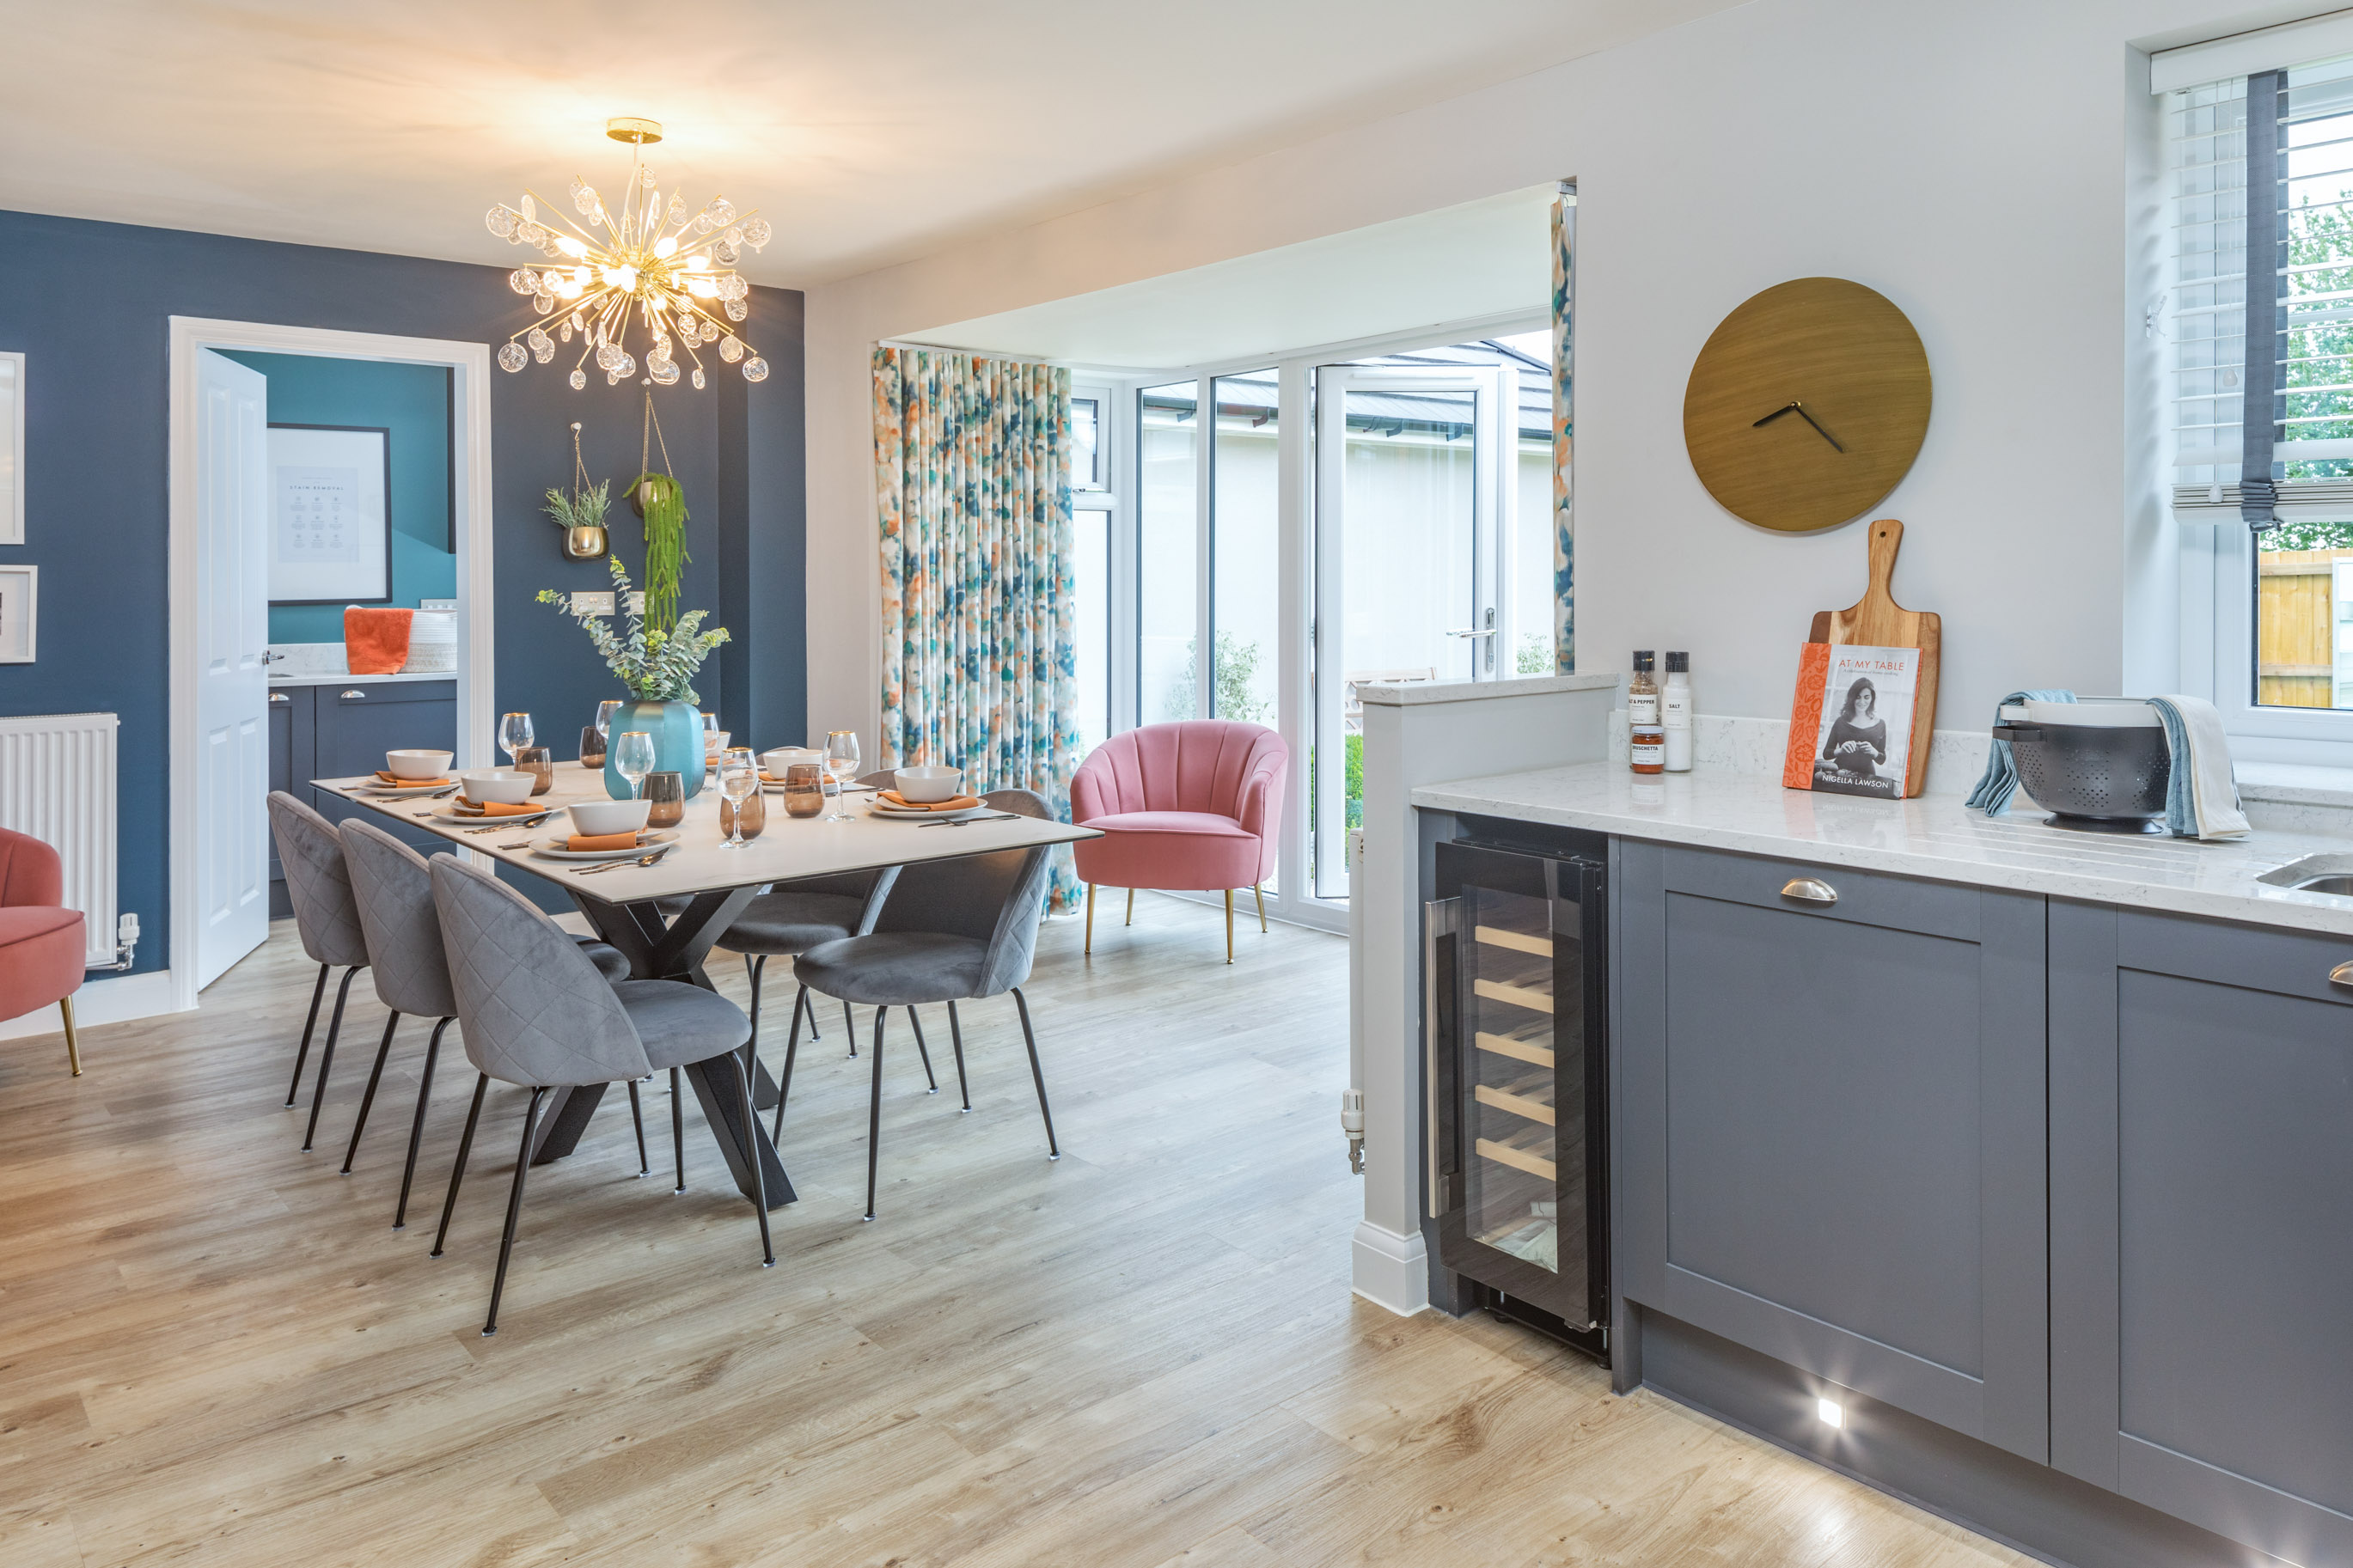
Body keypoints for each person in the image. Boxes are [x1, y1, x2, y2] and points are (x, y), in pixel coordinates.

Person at [1821, 678, 1888, 778]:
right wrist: (1841, 750)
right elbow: (1826, 754)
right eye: (1858, 697)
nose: (1862, 701)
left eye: (1866, 697)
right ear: (1852, 698)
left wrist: (1874, 752)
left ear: (1872, 699)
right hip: (1840, 775)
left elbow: (1881, 760)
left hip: (1867, 777)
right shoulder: (1840, 722)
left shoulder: (1880, 724)